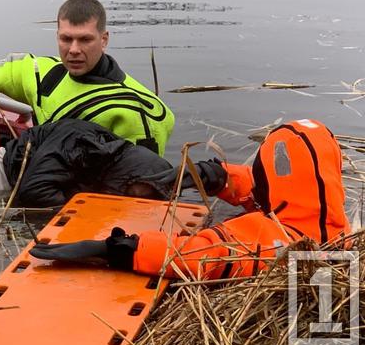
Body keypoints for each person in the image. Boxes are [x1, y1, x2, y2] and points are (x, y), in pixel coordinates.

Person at [30, 119, 351, 279]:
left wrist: (114, 249)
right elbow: (279, 192)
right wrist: (217, 176)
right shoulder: (334, 226)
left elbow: (195, 254)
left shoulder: (269, 241)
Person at [0, 0, 175, 156]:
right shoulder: (41, 73)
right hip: (41, 170)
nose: (74, 50)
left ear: (104, 40)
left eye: (85, 40)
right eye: (66, 39)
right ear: (57, 36)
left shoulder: (140, 110)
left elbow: (141, 186)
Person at [0, 118, 226, 208]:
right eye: (138, 193)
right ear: (126, 179)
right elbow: (33, 191)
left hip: (38, 174)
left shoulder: (118, 163)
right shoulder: (75, 144)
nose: (138, 200)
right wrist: (88, 209)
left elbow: (169, 181)